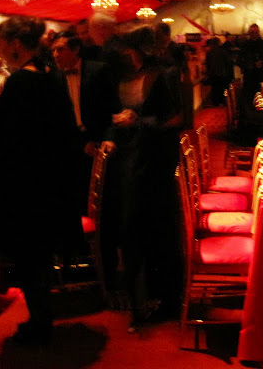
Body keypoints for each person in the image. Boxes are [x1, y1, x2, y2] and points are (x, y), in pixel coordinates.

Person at [0, 17, 81, 345]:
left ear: (16, 45)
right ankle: (42, 317)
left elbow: (4, 136)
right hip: (49, 178)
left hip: (26, 184)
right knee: (38, 254)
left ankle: (40, 322)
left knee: (29, 254)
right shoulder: (50, 73)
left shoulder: (23, 80)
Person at [103, 26, 183, 330]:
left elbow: (176, 119)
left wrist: (139, 122)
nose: (123, 53)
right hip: (127, 162)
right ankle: (139, 298)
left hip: (154, 163)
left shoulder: (162, 75)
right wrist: (113, 131)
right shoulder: (117, 76)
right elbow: (110, 114)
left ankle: (163, 298)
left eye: (127, 48)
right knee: (131, 228)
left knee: (156, 230)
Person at [51, 32, 117, 215]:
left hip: (100, 140)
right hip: (73, 145)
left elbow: (112, 108)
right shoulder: (53, 78)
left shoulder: (98, 71)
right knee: (77, 198)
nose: (55, 55)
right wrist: (80, 145)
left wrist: (109, 139)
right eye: (53, 50)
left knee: (105, 199)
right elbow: (59, 121)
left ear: (76, 50)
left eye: (60, 49)